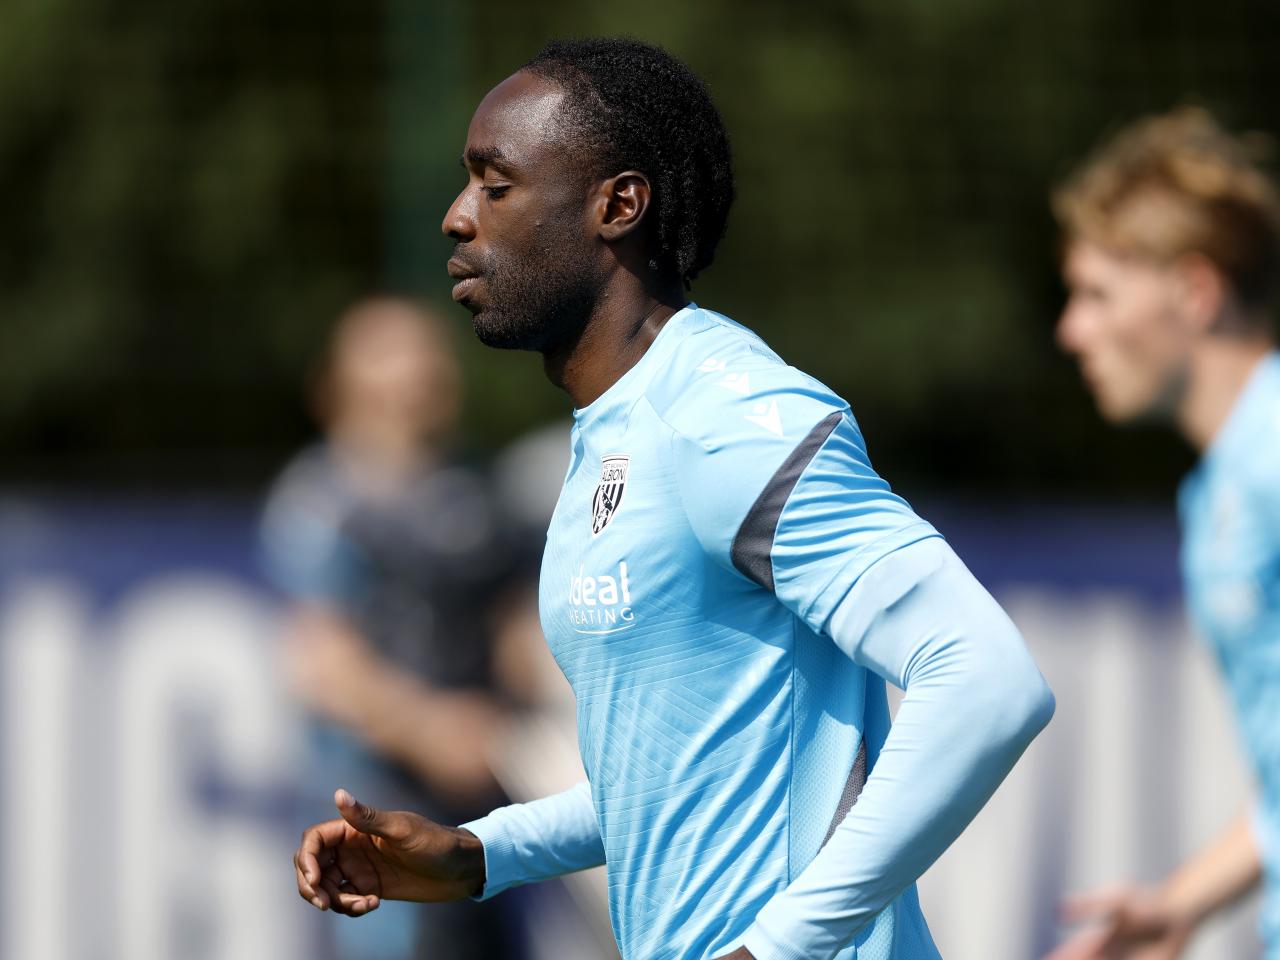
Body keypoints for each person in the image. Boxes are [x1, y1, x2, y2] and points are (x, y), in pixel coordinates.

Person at [293, 38, 1055, 960]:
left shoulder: (728, 416)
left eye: (496, 185)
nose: (458, 217)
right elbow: (679, 779)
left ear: (618, 206)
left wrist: (776, 948)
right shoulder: (610, 437)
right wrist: (481, 853)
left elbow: (986, 679)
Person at [1047, 108, 1280, 959]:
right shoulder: (1217, 491)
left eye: (1098, 294)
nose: (1072, 330)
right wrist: (1180, 904)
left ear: (1195, 292)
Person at [262, 297, 523, 959]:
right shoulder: (322, 500)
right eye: (395, 353)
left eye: (428, 350)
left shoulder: (477, 489)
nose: (422, 368)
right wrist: (434, 732)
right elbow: (323, 665)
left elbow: (517, 628)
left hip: (486, 809)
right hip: (377, 819)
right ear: (340, 386)